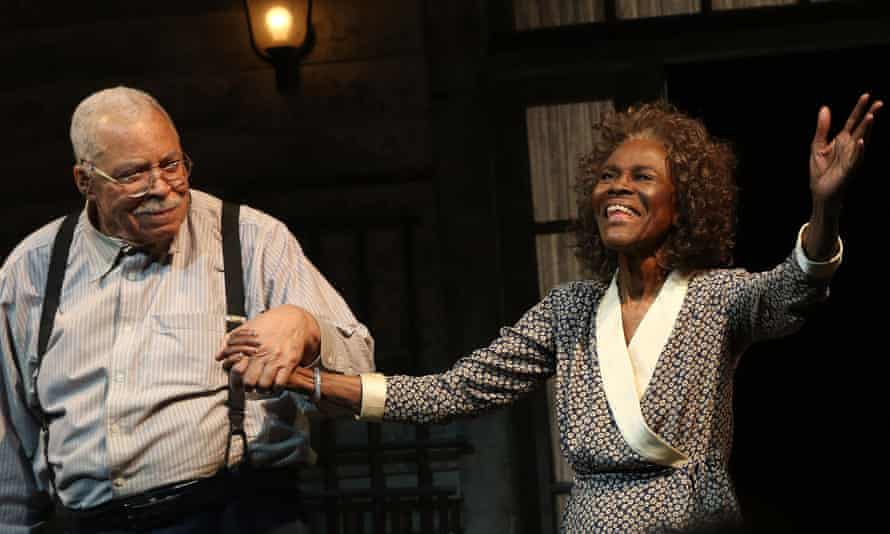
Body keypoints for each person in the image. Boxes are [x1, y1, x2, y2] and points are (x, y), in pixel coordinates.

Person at [219, 94, 880, 532]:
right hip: (591, 520)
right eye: (609, 176)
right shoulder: (570, 311)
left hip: (691, 520)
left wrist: (826, 208)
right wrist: (312, 381)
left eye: (643, 177)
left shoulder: (715, 298)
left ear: (685, 204)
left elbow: (795, 288)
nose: (618, 187)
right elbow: (450, 392)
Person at [0, 86, 375, 533]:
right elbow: (9, 440)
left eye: (171, 164)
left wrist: (308, 328)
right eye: (134, 173)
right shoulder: (34, 268)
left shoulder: (251, 239)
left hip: (237, 515)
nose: (162, 187)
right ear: (86, 181)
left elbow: (360, 372)